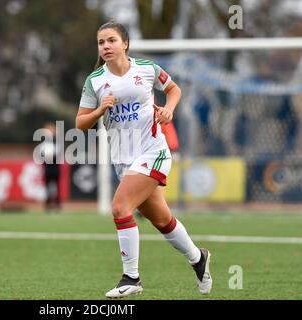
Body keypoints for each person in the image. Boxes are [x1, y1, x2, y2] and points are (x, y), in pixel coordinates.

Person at [76, 21, 212, 298]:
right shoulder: (95, 81)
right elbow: (80, 123)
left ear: (125, 43)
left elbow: (174, 89)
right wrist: (100, 109)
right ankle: (199, 258)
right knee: (163, 221)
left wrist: (169, 110)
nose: (106, 46)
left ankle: (132, 277)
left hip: (154, 151)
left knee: (119, 207)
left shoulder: (147, 69)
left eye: (111, 40)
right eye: (101, 42)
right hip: (123, 160)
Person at [41, 122, 62, 212]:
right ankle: (48, 203)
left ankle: (56, 203)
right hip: (47, 167)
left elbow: (58, 152)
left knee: (56, 186)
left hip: (54, 167)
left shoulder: (57, 141)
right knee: (47, 186)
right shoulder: (44, 141)